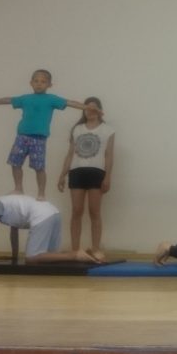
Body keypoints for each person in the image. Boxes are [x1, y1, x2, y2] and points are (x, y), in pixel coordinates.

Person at [0, 69, 96, 201]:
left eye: (43, 81)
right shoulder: (25, 98)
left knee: (39, 167)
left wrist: (87, 107)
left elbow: (69, 102)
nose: (39, 84)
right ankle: (18, 188)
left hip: (39, 138)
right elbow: (9, 99)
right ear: (31, 83)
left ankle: (41, 193)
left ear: (49, 85)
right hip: (22, 136)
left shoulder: (51, 99)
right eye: (36, 81)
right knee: (15, 163)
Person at [56, 97, 114, 262]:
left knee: (94, 212)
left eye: (94, 108)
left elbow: (109, 155)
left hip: (97, 173)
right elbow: (70, 154)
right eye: (87, 108)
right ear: (83, 110)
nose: (90, 111)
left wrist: (107, 177)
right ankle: (75, 250)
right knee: (76, 211)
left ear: (99, 111)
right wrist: (62, 175)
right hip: (77, 172)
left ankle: (96, 249)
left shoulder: (108, 130)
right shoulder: (77, 129)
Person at [0, 194, 97, 264]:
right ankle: (85, 254)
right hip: (53, 213)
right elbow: (14, 232)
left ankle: (75, 255)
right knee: (50, 256)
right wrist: (14, 257)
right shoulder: (5, 206)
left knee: (31, 258)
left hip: (42, 215)